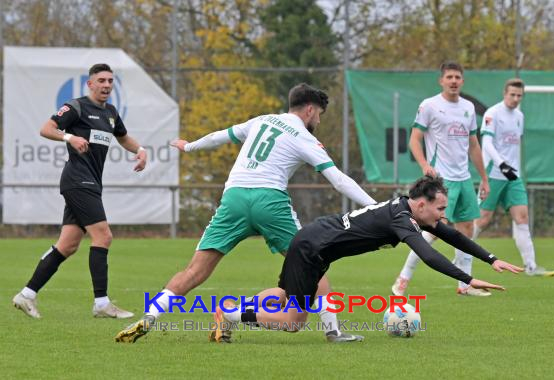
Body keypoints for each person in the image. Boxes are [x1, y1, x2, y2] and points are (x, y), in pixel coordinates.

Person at [115, 83, 377, 344]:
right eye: (319, 114)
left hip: (234, 199)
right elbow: (340, 181)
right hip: (269, 201)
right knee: (313, 262)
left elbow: (220, 136)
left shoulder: (261, 121)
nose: (318, 120)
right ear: (309, 110)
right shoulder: (304, 137)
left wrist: (189, 147)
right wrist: (377, 207)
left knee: (194, 271)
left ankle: (150, 316)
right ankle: (333, 331)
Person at [212, 175, 523, 339]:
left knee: (283, 294)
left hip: (314, 242)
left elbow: (452, 235)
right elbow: (428, 255)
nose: (443, 215)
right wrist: (466, 278)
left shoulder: (407, 211)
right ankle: (229, 316)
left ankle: (332, 333)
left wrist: (491, 258)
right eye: (440, 208)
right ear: (421, 204)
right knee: (294, 321)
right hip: (312, 248)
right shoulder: (402, 218)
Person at [12, 63, 147, 319]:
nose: (107, 85)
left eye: (110, 81)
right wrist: (69, 137)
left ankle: (26, 295)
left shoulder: (110, 113)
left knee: (68, 245)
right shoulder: (76, 106)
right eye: (102, 80)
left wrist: (140, 150)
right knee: (103, 236)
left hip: (90, 182)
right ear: (90, 83)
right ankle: (102, 304)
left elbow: (123, 137)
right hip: (78, 180)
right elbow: (46, 128)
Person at [392, 61, 492, 297]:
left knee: (467, 228)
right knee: (434, 230)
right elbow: (414, 140)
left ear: (462, 81)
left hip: (464, 178)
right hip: (441, 179)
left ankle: (464, 286)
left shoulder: (468, 107)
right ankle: (403, 278)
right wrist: (425, 165)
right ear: (441, 80)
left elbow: (474, 145)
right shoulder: (430, 105)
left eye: (458, 77)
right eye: (449, 77)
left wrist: (484, 179)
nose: (454, 81)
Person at [473, 78, 554, 277]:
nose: (515, 98)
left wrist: (514, 170)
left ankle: (531, 266)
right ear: (504, 93)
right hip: (493, 173)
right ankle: (460, 259)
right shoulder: (492, 113)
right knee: (482, 220)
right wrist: (502, 164)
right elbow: (487, 144)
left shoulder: (519, 116)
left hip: (513, 177)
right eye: (512, 94)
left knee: (522, 218)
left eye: (519, 95)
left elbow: (515, 146)